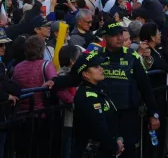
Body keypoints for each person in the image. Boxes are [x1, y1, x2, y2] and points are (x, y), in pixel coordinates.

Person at [54, 22, 158, 158]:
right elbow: (76, 76)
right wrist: (54, 83)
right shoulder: (95, 56)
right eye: (115, 35)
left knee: (129, 151)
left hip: (128, 116)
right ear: (105, 37)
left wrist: (154, 113)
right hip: (103, 116)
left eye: (121, 34)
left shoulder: (133, 57)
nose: (120, 38)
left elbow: (146, 87)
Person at [70, 50, 123, 158]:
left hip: (105, 149)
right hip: (92, 152)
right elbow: (99, 126)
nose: (101, 69)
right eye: (95, 67)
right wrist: (114, 146)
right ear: (85, 74)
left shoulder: (99, 89)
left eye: (100, 65)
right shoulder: (87, 95)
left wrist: (118, 138)